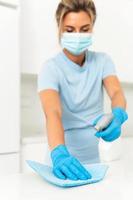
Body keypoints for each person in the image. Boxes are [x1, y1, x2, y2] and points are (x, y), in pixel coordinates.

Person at [37, 0, 128, 181]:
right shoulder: (50, 68)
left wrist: (118, 113)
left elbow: (116, 93)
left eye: (84, 29)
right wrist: (59, 154)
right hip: (61, 164)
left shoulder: (103, 61)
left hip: (95, 165)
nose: (77, 35)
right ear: (60, 29)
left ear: (92, 28)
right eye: (70, 30)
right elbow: (52, 113)